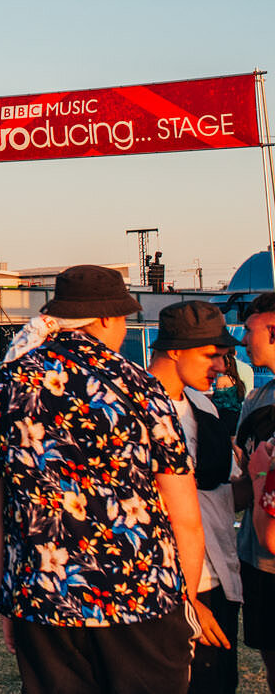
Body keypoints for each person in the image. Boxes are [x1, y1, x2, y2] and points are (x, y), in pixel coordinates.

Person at [0, 264, 210, 694]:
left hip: (43, 598)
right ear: (105, 318)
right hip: (142, 596)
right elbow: (185, 517)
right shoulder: (142, 387)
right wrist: (185, 603)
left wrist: (9, 603)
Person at [148, 301, 243, 694]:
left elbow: (223, 494)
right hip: (165, 588)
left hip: (218, 578)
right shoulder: (129, 410)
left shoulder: (203, 406)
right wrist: (185, 599)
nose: (220, 368)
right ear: (175, 350)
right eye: (212, 356)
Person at [233, 292, 275, 675]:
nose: (244, 340)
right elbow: (245, 479)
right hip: (257, 560)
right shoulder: (257, 398)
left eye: (250, 330)